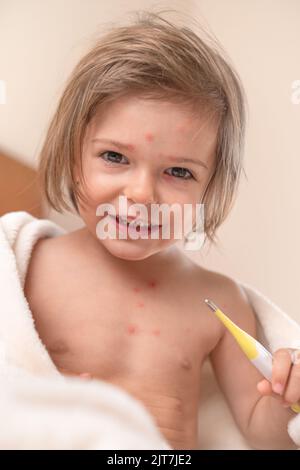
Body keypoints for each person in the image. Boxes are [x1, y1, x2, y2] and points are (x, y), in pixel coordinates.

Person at [24, 11, 299, 449]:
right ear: (72, 153)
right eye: (114, 157)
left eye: (177, 171)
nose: (141, 194)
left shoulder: (219, 302)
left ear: (212, 184)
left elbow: (265, 436)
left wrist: (287, 397)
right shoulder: (30, 271)